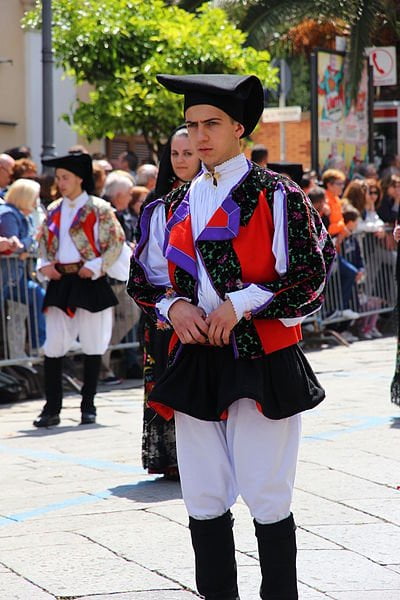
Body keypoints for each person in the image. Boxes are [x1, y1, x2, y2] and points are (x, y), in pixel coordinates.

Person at [128, 73, 336, 599]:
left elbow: (312, 277)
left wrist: (242, 303)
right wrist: (174, 307)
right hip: (194, 360)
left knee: (268, 494)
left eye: (212, 124)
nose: (199, 136)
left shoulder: (279, 194)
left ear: (239, 128)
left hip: (262, 357)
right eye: (192, 125)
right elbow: (144, 281)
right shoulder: (170, 205)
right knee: (202, 495)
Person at [33, 153, 126, 428]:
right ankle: (52, 408)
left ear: (80, 179)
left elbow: (116, 242)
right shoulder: (54, 209)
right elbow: (42, 243)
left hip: (90, 280)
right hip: (60, 280)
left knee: (93, 343)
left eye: (65, 178)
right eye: (58, 178)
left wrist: (97, 266)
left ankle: (88, 406)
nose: (60, 183)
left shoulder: (99, 208)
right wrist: (44, 265)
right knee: (54, 346)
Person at [139, 125, 200, 480]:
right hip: (167, 308)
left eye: (187, 153)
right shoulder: (157, 203)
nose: (180, 161)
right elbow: (148, 263)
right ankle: (171, 457)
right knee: (167, 377)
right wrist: (167, 301)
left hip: (205, 307)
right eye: (174, 154)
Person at [100, 171, 141, 384]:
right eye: (128, 193)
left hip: (121, 277)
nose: (130, 197)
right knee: (105, 323)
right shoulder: (105, 212)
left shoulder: (121, 212)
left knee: (131, 313)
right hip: (106, 278)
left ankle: (102, 351)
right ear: (118, 194)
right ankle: (103, 368)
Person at [0, 178, 46, 351]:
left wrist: (28, 245)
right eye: (35, 197)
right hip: (6, 276)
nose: (37, 201)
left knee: (38, 295)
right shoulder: (8, 214)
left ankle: (40, 344)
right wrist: (30, 242)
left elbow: (27, 245)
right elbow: (14, 247)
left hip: (13, 278)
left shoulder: (21, 215)